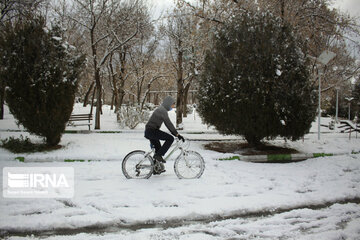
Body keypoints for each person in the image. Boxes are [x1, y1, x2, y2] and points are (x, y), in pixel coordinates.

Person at [145, 96, 185, 168]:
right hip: (151, 131)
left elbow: (168, 124)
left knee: (158, 149)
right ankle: (158, 156)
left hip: (150, 131)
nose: (173, 107)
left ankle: (156, 168)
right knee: (170, 138)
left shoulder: (161, 109)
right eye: (172, 105)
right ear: (168, 104)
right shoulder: (162, 110)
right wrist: (176, 134)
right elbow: (168, 123)